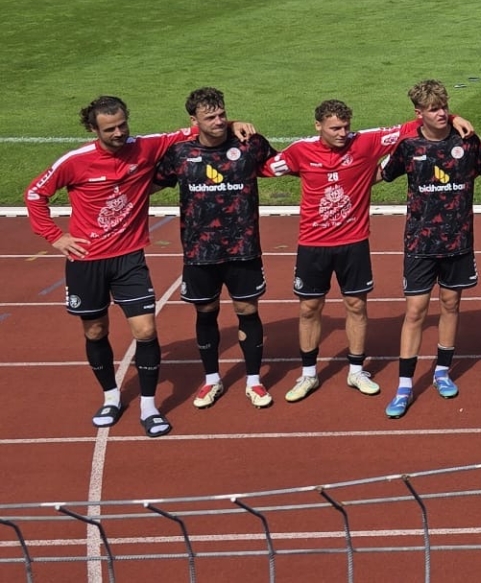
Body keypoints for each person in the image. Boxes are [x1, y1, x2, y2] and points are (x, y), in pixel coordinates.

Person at [26, 97, 231, 436]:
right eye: (110, 129)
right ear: (93, 129)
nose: (119, 132)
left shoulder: (146, 147)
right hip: (87, 261)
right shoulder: (74, 161)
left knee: (146, 331)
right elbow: (35, 194)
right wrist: (55, 237)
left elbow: (199, 128)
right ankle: (111, 397)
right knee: (95, 331)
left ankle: (149, 406)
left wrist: (234, 124)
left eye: (123, 124)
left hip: (130, 259)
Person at [265, 100, 457, 403]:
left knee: (356, 306)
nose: (342, 133)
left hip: (353, 243)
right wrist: (236, 128)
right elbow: (262, 166)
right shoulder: (300, 151)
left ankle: (356, 371)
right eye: (335, 128)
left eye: (346, 127)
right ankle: (308, 374)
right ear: (318, 126)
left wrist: (453, 117)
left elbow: (411, 127)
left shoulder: (365, 142)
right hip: (312, 244)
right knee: (309, 308)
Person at [152, 88, 276, 411]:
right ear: (193, 120)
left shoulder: (250, 144)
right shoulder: (180, 153)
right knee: (205, 313)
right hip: (199, 253)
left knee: (247, 312)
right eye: (211, 117)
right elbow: (148, 184)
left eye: (223, 115)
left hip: (243, 249)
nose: (219, 121)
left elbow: (287, 164)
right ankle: (212, 378)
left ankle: (253, 380)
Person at [378, 80, 481, 418]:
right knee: (415, 311)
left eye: (444, 107)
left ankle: (442, 371)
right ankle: (404, 385)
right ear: (419, 113)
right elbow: (381, 174)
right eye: (434, 109)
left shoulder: (467, 141)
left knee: (451, 305)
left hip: (458, 241)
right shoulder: (408, 146)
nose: (441, 113)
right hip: (420, 242)